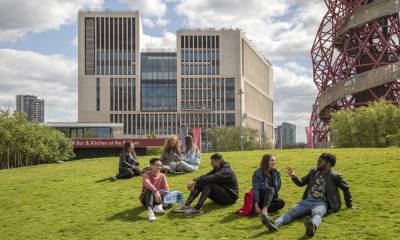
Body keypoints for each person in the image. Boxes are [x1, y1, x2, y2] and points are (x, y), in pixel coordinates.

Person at [262, 153, 353, 237]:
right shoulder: (313, 172)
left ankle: (312, 227)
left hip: (321, 203)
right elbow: (301, 183)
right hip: (306, 201)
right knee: (291, 212)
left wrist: (349, 205)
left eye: (320, 161)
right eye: (318, 160)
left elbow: (346, 188)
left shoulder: (335, 176)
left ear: (328, 163)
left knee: (317, 214)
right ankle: (275, 224)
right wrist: (294, 176)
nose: (318, 162)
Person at [173, 153, 239, 215]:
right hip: (222, 195)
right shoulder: (219, 167)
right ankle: (186, 205)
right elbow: (206, 175)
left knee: (208, 184)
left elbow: (211, 177)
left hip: (230, 198)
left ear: (218, 161)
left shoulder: (225, 171)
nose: (211, 164)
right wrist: (194, 181)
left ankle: (197, 208)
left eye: (212, 162)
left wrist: (195, 182)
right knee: (201, 182)